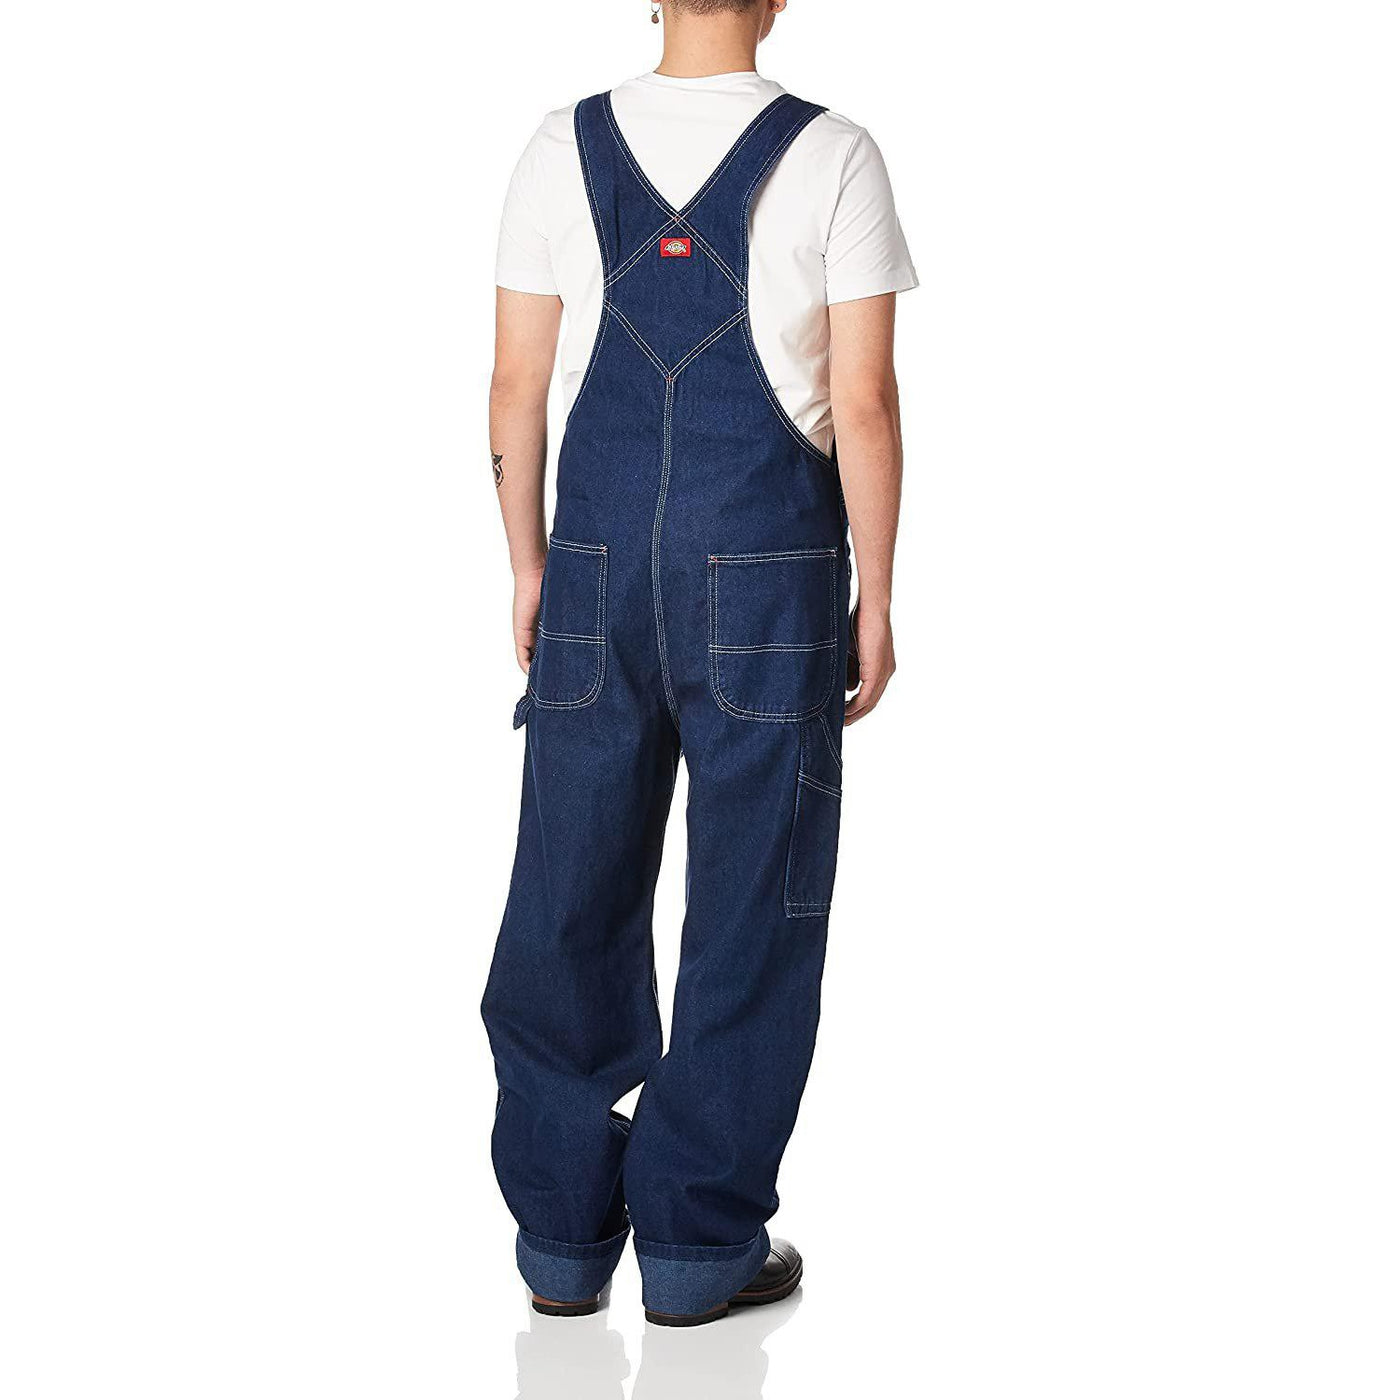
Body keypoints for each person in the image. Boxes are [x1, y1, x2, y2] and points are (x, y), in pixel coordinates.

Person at [482, 0, 915, 1327]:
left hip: (595, 566)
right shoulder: (834, 153)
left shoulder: (560, 146)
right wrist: (880, 592)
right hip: (769, 576)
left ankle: (561, 1239)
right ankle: (696, 1246)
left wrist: (530, 566)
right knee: (751, 908)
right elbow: (862, 402)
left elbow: (514, 386)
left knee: (566, 888)